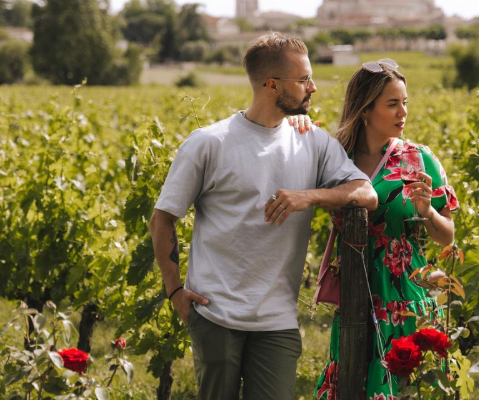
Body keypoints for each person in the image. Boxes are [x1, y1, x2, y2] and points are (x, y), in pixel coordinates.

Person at [149, 32, 378, 400]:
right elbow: (163, 217)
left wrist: (309, 196)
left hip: (277, 320)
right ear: (272, 85)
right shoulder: (209, 142)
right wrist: (174, 290)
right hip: (215, 314)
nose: (313, 88)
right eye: (303, 80)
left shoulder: (313, 142)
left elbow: (366, 193)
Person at [314, 59, 459, 399]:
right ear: (365, 109)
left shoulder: (420, 160)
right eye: (392, 104)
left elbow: (447, 234)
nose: (402, 112)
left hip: (407, 301)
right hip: (354, 299)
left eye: (404, 102)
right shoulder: (336, 159)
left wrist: (426, 212)